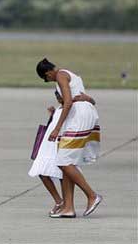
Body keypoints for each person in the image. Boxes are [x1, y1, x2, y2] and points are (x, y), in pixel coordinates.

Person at [36, 58, 102, 218]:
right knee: (66, 162)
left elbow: (68, 103)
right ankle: (68, 208)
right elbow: (82, 98)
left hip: (78, 117)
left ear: (48, 73)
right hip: (81, 115)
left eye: (46, 78)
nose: (48, 81)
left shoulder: (60, 75)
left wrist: (56, 128)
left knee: (63, 161)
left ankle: (92, 195)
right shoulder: (70, 75)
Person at [28, 90, 95, 216]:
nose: (58, 98)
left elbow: (91, 105)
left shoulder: (73, 108)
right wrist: (52, 115)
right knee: (42, 172)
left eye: (60, 95)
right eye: (57, 96)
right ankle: (59, 201)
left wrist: (88, 98)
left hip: (59, 145)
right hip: (47, 146)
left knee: (63, 175)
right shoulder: (60, 109)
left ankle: (68, 205)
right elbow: (52, 125)